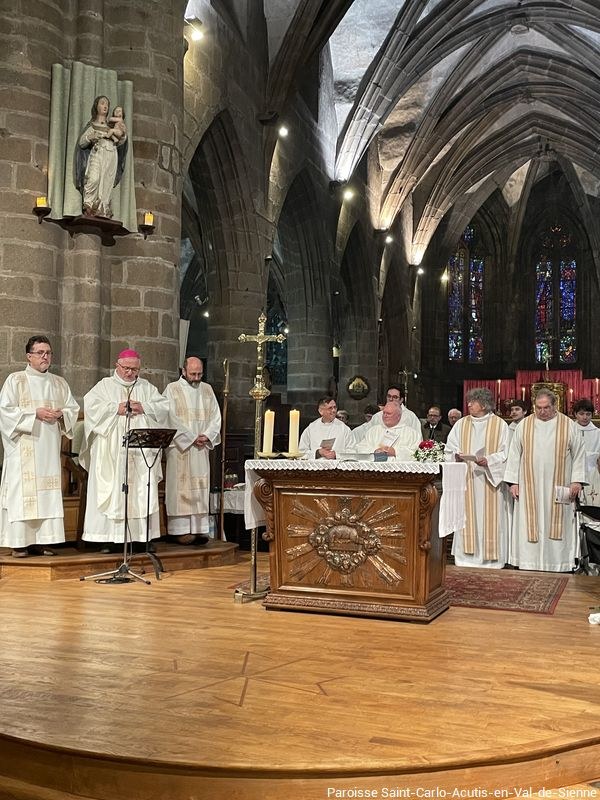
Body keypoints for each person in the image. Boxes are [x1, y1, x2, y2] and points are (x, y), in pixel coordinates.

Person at [80, 349, 169, 551]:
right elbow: (91, 408)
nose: (130, 373)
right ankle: (109, 538)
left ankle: (141, 538)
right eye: (126, 368)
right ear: (117, 366)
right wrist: (116, 409)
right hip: (111, 450)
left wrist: (144, 407)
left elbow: (164, 407)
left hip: (140, 451)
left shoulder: (146, 387)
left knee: (140, 490)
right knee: (113, 489)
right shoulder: (104, 386)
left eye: (135, 369)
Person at [0, 336, 79, 557]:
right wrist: (35, 413)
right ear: (29, 356)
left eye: (48, 353)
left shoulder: (59, 383)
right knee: (22, 493)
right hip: (23, 447)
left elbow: (72, 408)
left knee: (46, 494)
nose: (45, 357)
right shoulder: (16, 380)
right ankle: (19, 542)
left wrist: (61, 414)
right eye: (40, 353)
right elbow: (5, 411)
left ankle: (43, 540)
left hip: (48, 448)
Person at [504, 388, 586, 572]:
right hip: (529, 486)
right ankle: (529, 561)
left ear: (555, 405)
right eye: (538, 407)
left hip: (560, 485)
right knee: (529, 522)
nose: (542, 411)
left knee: (558, 523)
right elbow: (514, 454)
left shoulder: (568, 425)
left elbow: (579, 454)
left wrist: (577, 481)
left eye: (546, 407)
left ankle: (559, 562)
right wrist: (513, 482)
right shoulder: (524, 425)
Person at [444, 387, 509, 568]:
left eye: (474, 401)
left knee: (490, 520)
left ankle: (491, 560)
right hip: (467, 479)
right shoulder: (461, 424)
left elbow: (506, 453)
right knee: (468, 518)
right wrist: (456, 456)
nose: (469, 404)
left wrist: (489, 460)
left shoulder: (500, 425)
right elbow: (449, 449)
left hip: (490, 481)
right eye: (469, 401)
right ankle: (466, 558)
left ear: (485, 404)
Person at [163, 357, 221, 545]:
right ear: (183, 371)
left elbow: (216, 417)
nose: (196, 378)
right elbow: (169, 417)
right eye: (193, 374)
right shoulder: (172, 389)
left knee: (199, 486)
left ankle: (199, 529)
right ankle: (179, 530)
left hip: (200, 448)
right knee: (180, 488)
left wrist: (207, 435)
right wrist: (190, 437)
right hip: (181, 448)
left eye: (199, 374)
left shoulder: (207, 389)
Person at [76, 95, 128, 218]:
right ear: (96, 106)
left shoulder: (111, 126)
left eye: (107, 104)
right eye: (102, 103)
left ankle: (102, 208)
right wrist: (91, 137)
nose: (105, 106)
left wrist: (123, 134)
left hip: (111, 154)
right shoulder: (92, 126)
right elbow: (82, 143)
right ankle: (89, 204)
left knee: (106, 182)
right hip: (98, 153)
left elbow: (121, 142)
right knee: (93, 178)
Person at [353, 385, 421, 442]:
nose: (391, 399)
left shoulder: (410, 416)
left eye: (395, 397)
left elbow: (417, 438)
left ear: (401, 400)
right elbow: (365, 430)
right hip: (379, 450)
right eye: (389, 396)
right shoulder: (378, 416)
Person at [356, 402, 420, 460]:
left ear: (398, 416)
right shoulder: (373, 431)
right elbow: (360, 448)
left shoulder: (411, 434)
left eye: (388, 413)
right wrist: (375, 451)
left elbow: (417, 453)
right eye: (384, 413)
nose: (385, 415)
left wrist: (395, 452)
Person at [572, 398, 600, 480]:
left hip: (593, 473)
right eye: (581, 414)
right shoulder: (569, 431)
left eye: (588, 414)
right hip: (572, 472)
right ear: (575, 414)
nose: (585, 417)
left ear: (592, 415)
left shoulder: (598, 433)